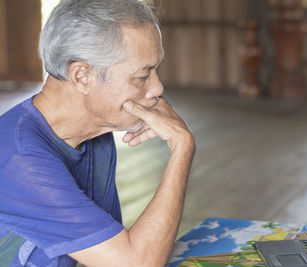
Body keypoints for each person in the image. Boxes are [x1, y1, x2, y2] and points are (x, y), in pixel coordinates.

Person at [0, 0, 195, 266]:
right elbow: (136, 262)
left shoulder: (95, 134)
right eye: (142, 76)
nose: (158, 88)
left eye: (156, 70)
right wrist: (182, 144)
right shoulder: (21, 159)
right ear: (82, 76)